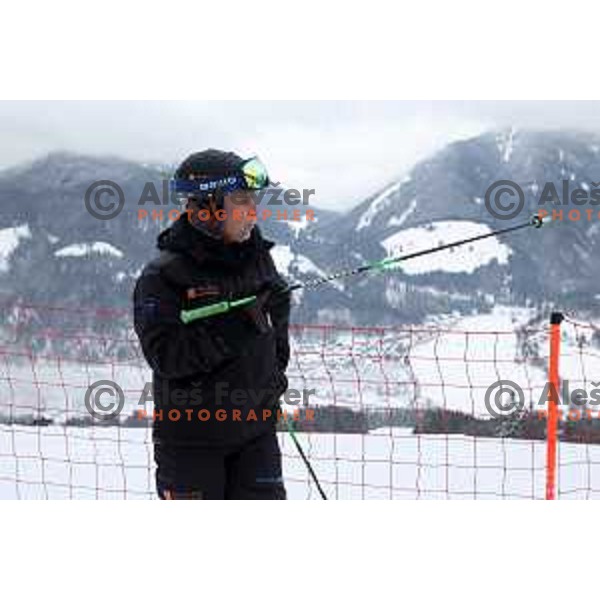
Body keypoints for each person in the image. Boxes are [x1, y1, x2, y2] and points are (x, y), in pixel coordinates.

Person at [133, 149, 291, 499]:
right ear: (206, 208)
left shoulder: (258, 259)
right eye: (241, 201)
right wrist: (240, 324)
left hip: (256, 437)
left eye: (254, 200)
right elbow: (166, 357)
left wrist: (272, 384)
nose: (253, 212)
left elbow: (273, 345)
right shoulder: (163, 276)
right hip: (192, 445)